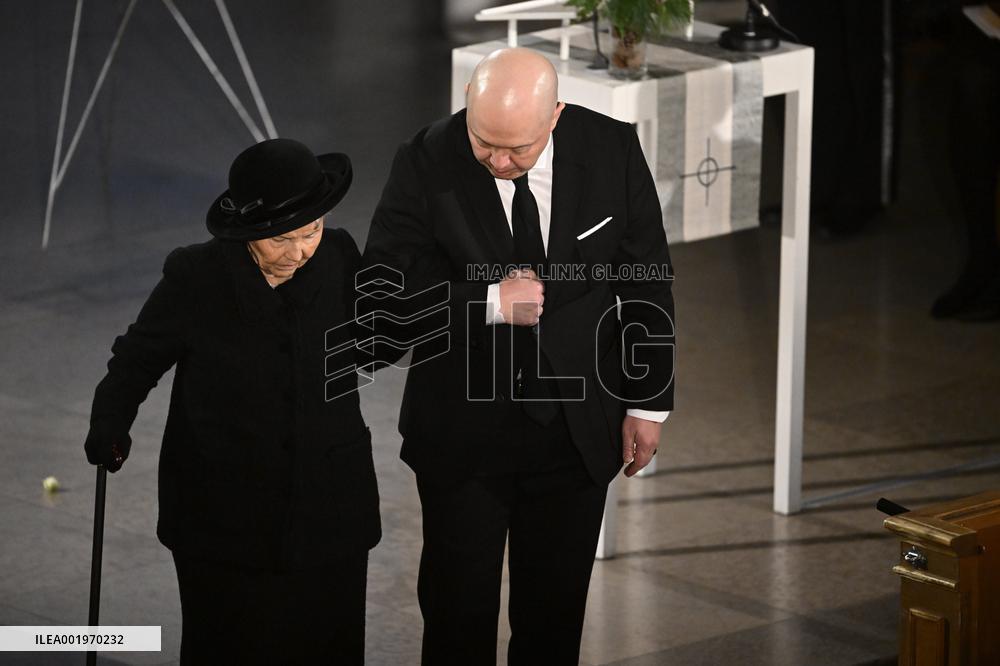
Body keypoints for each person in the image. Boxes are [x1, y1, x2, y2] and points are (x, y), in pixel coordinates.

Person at [363, 48, 675, 664]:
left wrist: (649, 401)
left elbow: (647, 279)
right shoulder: (425, 160)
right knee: (457, 618)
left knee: (554, 621)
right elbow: (380, 301)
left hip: (576, 429)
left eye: (518, 150)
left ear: (554, 116)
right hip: (463, 437)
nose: (499, 163)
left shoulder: (611, 149)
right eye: (484, 144)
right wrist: (486, 301)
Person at [84, 138, 379, 664]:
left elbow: (377, 341)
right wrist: (110, 420)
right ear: (249, 232)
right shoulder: (196, 277)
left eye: (311, 231)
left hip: (329, 506)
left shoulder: (339, 256)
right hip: (222, 515)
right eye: (281, 240)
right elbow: (137, 358)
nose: (300, 251)